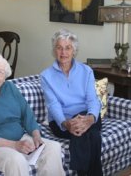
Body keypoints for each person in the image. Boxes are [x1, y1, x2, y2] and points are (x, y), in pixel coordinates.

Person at [0, 51, 65, 176]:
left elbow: (27, 114)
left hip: (18, 138)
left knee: (53, 148)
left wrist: (36, 135)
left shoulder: (9, 87)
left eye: (0, 72)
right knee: (16, 159)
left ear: (5, 76)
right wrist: (14, 145)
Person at [40, 29, 103, 176]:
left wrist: (91, 117)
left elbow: (92, 100)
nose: (63, 52)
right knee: (93, 136)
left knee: (86, 133)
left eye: (68, 47)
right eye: (59, 47)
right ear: (54, 50)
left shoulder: (86, 71)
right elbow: (53, 105)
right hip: (61, 122)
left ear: (74, 50)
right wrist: (65, 123)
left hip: (89, 116)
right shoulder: (46, 76)